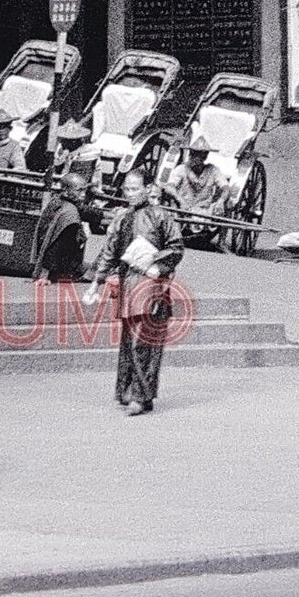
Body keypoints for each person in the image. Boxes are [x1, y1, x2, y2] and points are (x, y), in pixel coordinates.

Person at [84, 170, 184, 415]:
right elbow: (109, 251)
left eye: (135, 189)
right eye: (126, 189)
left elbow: (176, 247)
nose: (130, 194)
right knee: (129, 341)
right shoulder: (122, 218)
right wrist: (96, 282)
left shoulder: (162, 216)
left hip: (152, 282)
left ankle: (140, 396)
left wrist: (157, 266)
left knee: (144, 339)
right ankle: (130, 392)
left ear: (148, 188)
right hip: (128, 281)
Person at [165, 136, 228, 247]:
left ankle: (221, 242)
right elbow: (169, 187)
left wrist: (221, 200)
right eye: (193, 154)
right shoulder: (181, 169)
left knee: (227, 204)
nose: (194, 158)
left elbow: (226, 188)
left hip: (205, 211)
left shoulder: (213, 170)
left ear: (205, 156)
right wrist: (180, 200)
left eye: (199, 155)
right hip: (184, 210)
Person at [30, 173, 90, 282]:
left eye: (84, 190)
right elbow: (56, 244)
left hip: (48, 261)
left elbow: (86, 211)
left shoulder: (57, 201)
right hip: (60, 268)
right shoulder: (69, 213)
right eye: (79, 190)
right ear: (66, 191)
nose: (83, 194)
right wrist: (44, 274)